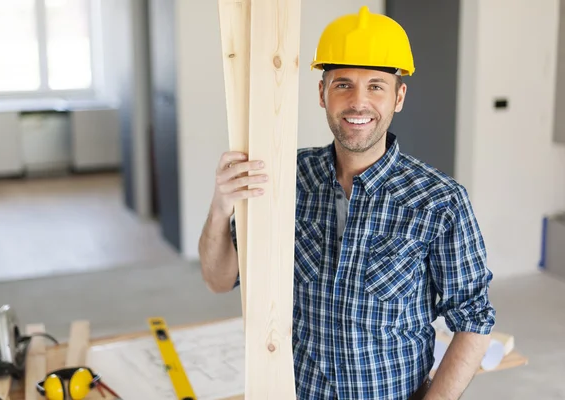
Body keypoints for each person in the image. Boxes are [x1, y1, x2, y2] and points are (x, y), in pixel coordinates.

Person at [198, 5, 496, 400]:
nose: (359, 102)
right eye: (343, 84)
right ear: (322, 93)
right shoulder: (285, 178)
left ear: (398, 97)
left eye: (376, 85)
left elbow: (473, 320)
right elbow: (219, 280)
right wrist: (221, 206)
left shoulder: (440, 202)